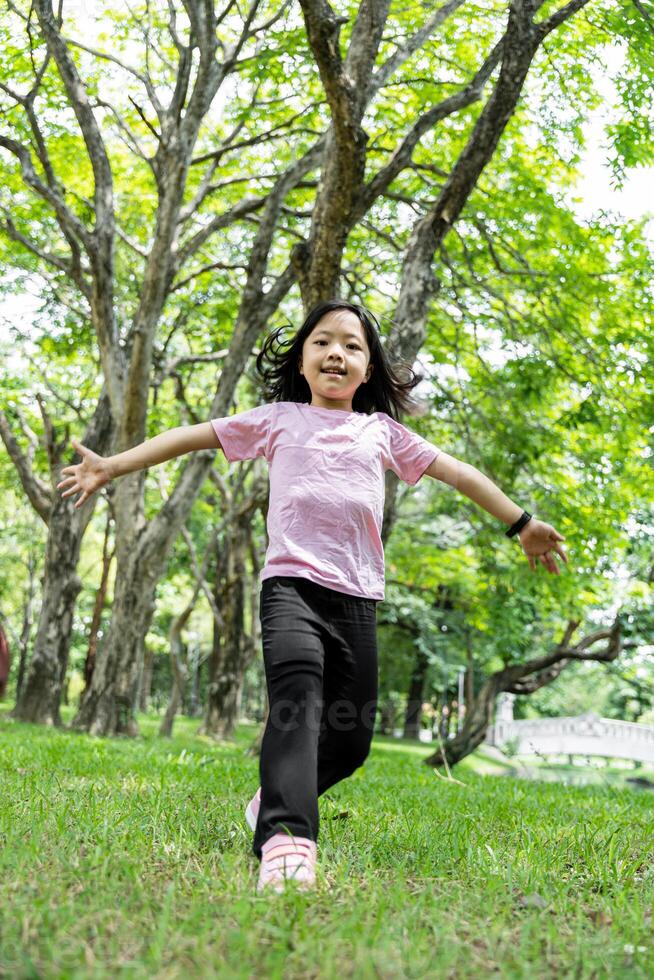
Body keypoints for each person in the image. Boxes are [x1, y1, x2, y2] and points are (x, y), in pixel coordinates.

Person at [57, 299, 568, 894]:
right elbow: (191, 437)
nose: (337, 353)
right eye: (323, 342)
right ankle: (286, 840)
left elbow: (460, 474)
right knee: (296, 702)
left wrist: (521, 523)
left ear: (368, 370)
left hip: (356, 598)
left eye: (353, 346)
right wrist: (112, 467)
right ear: (301, 360)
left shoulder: (382, 433)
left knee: (351, 739)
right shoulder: (279, 419)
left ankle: (271, 797)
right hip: (290, 588)